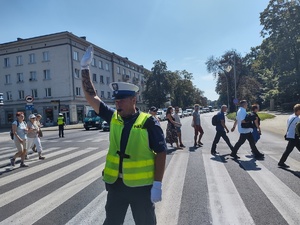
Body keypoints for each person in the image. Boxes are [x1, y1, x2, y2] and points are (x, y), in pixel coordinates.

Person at [80, 45, 167, 225]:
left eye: (121, 100)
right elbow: (92, 97)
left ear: (133, 100)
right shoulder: (113, 117)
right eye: (115, 100)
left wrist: (157, 184)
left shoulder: (149, 122)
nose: (117, 103)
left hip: (141, 188)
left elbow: (161, 152)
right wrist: (84, 69)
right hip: (116, 186)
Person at [278, 104, 300, 168]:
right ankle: (281, 162)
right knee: (288, 150)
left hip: (290, 135)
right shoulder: (297, 119)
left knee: (288, 150)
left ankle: (281, 162)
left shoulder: (291, 116)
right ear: (298, 110)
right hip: (294, 136)